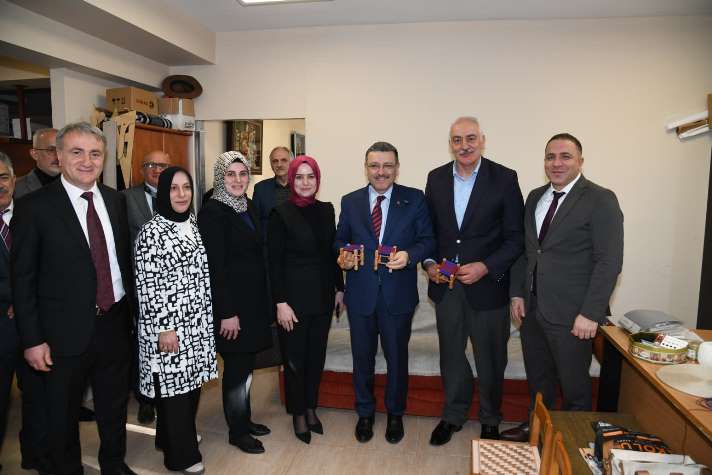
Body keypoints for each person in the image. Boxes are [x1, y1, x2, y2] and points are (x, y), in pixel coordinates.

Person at [11, 122, 136, 475]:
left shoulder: (116, 200)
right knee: (62, 413)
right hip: (61, 333)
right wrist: (32, 340)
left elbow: (122, 262)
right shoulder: (33, 207)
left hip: (114, 323)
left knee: (114, 406)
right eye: (77, 152)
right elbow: (23, 280)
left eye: (95, 153)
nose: (87, 161)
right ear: (59, 156)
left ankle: (114, 463)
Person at [501, 133, 623, 442]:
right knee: (538, 380)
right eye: (550, 157)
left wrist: (591, 313)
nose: (556, 163)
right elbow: (526, 251)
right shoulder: (535, 197)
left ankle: (572, 444)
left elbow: (608, 262)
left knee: (575, 388)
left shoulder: (600, 199)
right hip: (533, 310)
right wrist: (517, 293)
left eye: (565, 156)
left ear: (580, 161)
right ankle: (537, 428)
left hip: (574, 315)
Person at [423, 116, 524, 445]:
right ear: (450, 144)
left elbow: (516, 238)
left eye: (470, 138)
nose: (464, 145)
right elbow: (428, 232)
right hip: (447, 287)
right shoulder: (436, 178)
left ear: (482, 140)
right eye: (457, 140)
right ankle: (453, 415)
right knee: (451, 355)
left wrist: (486, 266)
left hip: (488, 286)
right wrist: (429, 264)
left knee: (491, 358)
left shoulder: (505, 179)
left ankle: (491, 418)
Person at [335, 141, 435, 444]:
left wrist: (410, 255)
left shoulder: (414, 199)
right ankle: (365, 413)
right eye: (375, 165)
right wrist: (343, 256)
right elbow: (339, 240)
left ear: (397, 168)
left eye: (387, 165)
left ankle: (395, 414)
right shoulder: (350, 201)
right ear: (366, 168)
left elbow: (428, 240)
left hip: (398, 295)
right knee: (362, 359)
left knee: (396, 359)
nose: (381, 172)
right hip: (361, 295)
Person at [134, 166, 217, 474]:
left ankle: (170, 437)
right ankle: (181, 456)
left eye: (186, 187)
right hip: (169, 326)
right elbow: (147, 285)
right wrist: (164, 329)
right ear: (163, 192)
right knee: (175, 391)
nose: (181, 194)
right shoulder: (151, 232)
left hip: (195, 323)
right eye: (173, 188)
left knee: (190, 385)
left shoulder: (191, 223)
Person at [198, 151, 272, 454]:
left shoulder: (247, 205)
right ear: (220, 177)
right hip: (232, 309)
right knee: (237, 372)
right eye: (231, 174)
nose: (238, 180)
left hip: (252, 305)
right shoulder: (212, 213)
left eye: (243, 174)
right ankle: (237, 432)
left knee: (246, 368)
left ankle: (245, 419)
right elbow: (214, 268)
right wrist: (226, 312)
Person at [267, 155, 344, 444]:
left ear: (317, 179)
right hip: (293, 303)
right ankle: (298, 414)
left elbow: (332, 254)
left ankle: (311, 408)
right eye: (299, 177)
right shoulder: (279, 213)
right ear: (291, 180)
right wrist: (280, 303)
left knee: (315, 358)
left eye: (310, 176)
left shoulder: (326, 210)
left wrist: (339, 288)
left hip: (322, 298)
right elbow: (273, 264)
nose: (305, 182)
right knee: (295, 361)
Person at [123, 149, 172, 425]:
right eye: (151, 164)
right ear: (142, 169)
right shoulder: (125, 198)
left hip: (172, 289)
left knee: (169, 344)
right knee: (144, 345)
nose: (157, 169)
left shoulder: (179, 195)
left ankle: (167, 394)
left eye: (162, 165)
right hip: (140, 288)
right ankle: (145, 399)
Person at [0, 152, 16, 473]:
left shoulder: (32, 212)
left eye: (3, 177)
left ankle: (38, 456)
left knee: (41, 399)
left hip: (38, 325)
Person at [253, 146, 293, 236]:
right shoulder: (260, 189)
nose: (279, 165)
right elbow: (255, 222)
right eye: (275, 161)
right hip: (269, 243)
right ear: (271, 165)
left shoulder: (300, 187)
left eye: (284, 160)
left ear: (292, 163)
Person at [14, 128, 60, 198]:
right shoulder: (16, 188)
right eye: (51, 150)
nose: (57, 156)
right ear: (35, 154)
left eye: (61, 149)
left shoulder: (75, 182)